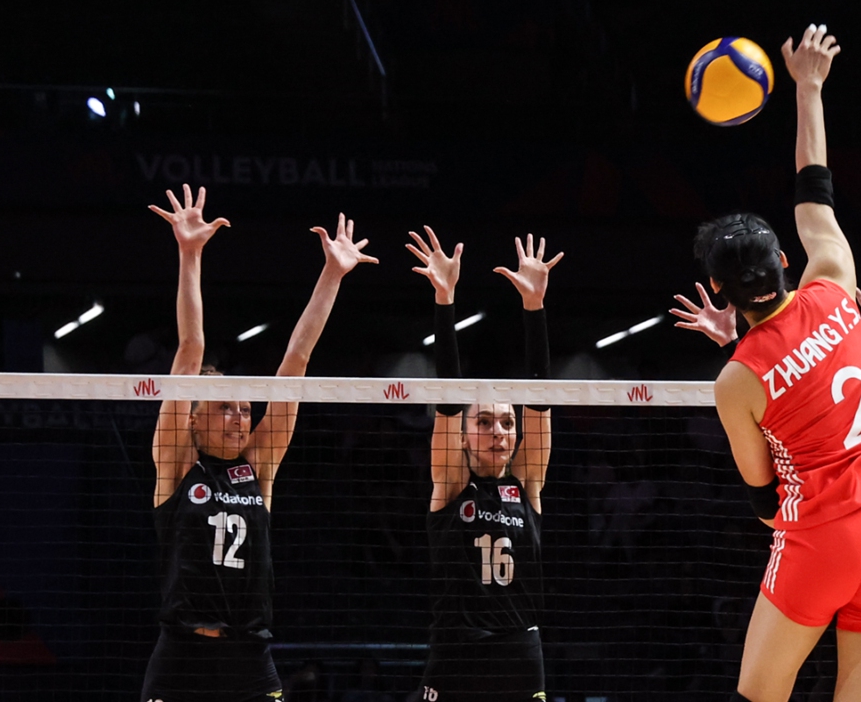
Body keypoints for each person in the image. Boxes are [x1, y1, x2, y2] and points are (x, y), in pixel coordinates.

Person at [700, 26, 861, 702]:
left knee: (758, 695)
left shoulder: (735, 379)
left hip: (821, 539)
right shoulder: (832, 282)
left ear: (719, 293)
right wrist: (809, 86)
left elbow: (762, 495)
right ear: (786, 262)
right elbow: (813, 189)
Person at [142, 184, 378, 702]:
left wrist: (332, 275)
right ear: (195, 420)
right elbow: (190, 350)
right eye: (225, 407)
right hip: (180, 654)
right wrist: (189, 254)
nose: (240, 418)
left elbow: (295, 363)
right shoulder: (177, 466)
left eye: (245, 409)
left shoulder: (258, 469)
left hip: (249, 657)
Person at [672, 259, 861, 701]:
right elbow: (854, 415)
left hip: (822, 544)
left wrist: (735, 350)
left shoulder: (749, 379)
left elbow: (777, 415)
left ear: (722, 287)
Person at [405, 226, 562, 702]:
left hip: (520, 653)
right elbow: (449, 402)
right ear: (464, 436)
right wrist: (445, 300)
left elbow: (539, 403)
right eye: (486, 423)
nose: (499, 432)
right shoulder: (452, 484)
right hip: (456, 652)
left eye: (506, 424)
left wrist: (534, 308)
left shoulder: (527, 481)